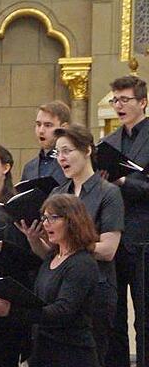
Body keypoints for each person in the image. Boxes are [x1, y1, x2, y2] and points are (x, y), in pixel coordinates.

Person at [30, 125, 123, 365]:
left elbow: (109, 249)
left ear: (87, 150)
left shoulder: (108, 192)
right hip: (57, 290)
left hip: (96, 292)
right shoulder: (57, 192)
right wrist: (33, 238)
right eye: (57, 152)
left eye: (67, 151)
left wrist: (74, 244)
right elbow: (52, 254)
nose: (61, 158)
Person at [0, 194, 100, 367]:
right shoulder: (51, 258)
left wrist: (12, 311)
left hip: (72, 355)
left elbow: (62, 312)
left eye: (53, 218)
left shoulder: (82, 263)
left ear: (72, 221)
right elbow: (40, 303)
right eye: (44, 218)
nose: (46, 223)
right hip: (45, 351)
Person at [101, 76, 149, 367]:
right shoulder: (108, 142)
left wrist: (121, 181)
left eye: (125, 100)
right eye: (115, 100)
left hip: (145, 239)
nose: (118, 105)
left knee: (144, 319)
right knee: (113, 318)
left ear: (142, 102)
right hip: (114, 240)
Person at [20, 101, 70, 185]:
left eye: (48, 125)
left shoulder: (70, 162)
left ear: (63, 128)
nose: (41, 131)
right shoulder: (29, 168)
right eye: (38, 125)